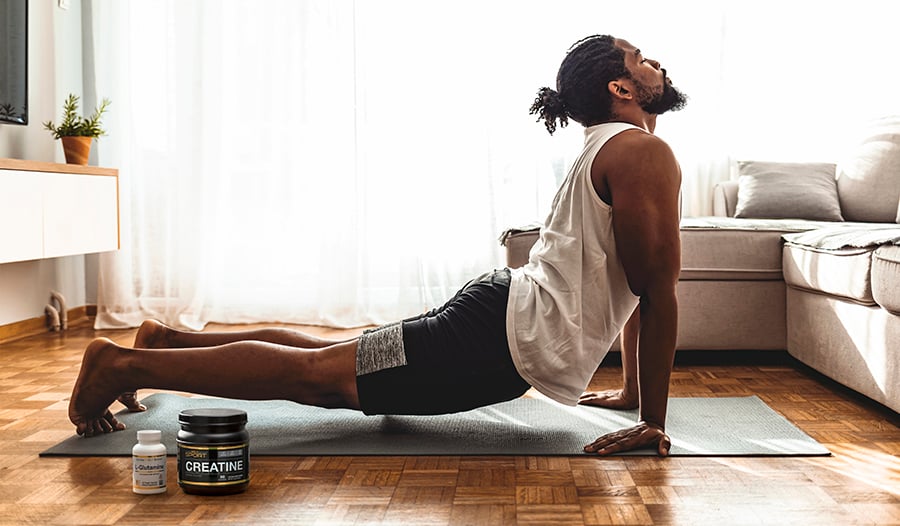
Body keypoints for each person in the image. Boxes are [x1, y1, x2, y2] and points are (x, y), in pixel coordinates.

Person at [68, 34, 687, 456]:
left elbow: (636, 286)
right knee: (319, 378)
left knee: (332, 357)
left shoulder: (613, 147)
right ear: (622, 89)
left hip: (497, 320)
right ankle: (121, 365)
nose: (655, 62)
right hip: (495, 341)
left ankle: (165, 342)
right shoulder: (641, 153)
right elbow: (656, 294)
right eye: (640, 58)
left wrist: (634, 393)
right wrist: (651, 424)